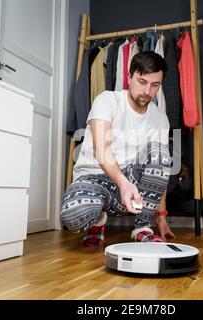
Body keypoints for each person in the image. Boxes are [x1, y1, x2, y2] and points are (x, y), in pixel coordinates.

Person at [61, 51, 176, 248]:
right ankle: (97, 222)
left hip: (132, 192)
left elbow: (161, 168)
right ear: (129, 77)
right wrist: (123, 184)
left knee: (160, 152)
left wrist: (161, 217)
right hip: (94, 178)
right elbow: (101, 149)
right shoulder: (107, 100)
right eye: (142, 81)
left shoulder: (160, 119)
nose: (147, 91)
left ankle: (143, 228)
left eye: (155, 85)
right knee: (75, 214)